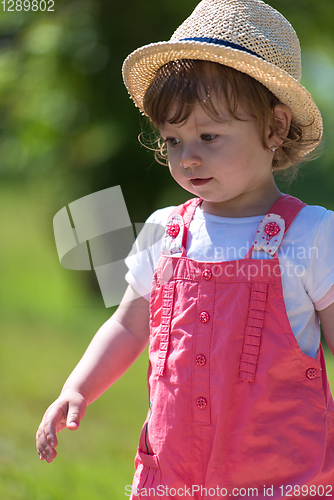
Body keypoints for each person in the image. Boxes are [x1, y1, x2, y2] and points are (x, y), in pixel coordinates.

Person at [36, 0, 334, 497]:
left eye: (209, 135)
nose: (188, 156)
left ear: (275, 128)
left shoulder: (311, 234)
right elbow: (128, 326)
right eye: (173, 140)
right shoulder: (164, 230)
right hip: (175, 471)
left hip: (282, 475)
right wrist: (78, 388)